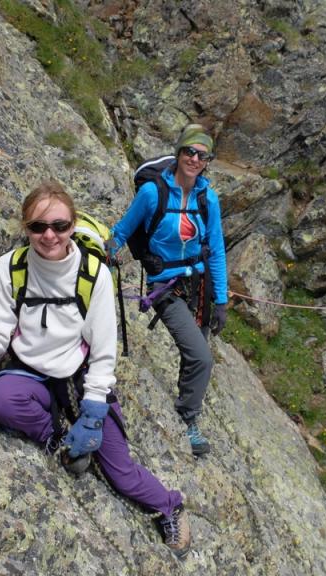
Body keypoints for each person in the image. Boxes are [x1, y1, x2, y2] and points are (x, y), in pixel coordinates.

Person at [0, 181, 191, 556]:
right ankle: (60, 439)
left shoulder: (94, 275)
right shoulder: (9, 268)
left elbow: (104, 351)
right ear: (25, 227)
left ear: (73, 226)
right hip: (29, 370)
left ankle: (168, 505)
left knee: (120, 472)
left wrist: (94, 411)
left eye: (60, 226)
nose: (49, 235)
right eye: (38, 226)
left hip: (79, 379)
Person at [108, 123, 228, 456]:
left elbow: (216, 249)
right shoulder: (153, 193)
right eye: (189, 151)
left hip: (200, 284)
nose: (194, 158)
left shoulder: (208, 198)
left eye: (202, 155)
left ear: (207, 161)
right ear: (178, 152)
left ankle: (189, 416)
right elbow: (122, 231)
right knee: (202, 357)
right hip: (167, 287)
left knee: (196, 357)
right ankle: (188, 419)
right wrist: (104, 253)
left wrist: (221, 300)